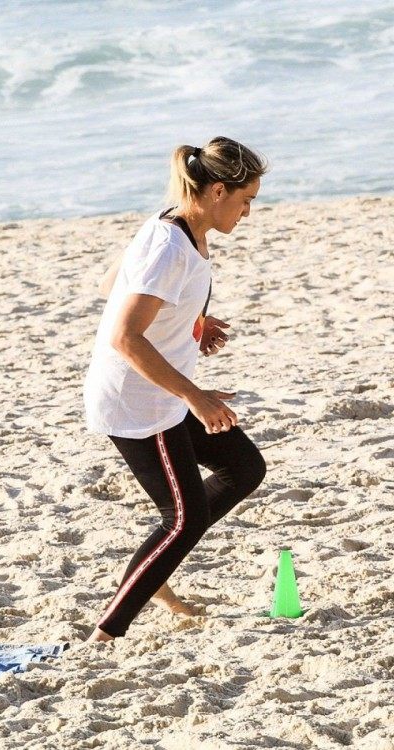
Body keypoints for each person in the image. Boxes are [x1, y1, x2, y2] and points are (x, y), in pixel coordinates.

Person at [82, 136, 269, 641]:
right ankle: (106, 632)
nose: (249, 213)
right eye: (245, 200)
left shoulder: (178, 227)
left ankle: (153, 573)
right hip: (139, 401)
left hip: (159, 389)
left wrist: (195, 320)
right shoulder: (169, 246)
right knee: (183, 520)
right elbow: (124, 335)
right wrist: (195, 396)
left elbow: (112, 284)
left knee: (243, 467)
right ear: (214, 192)